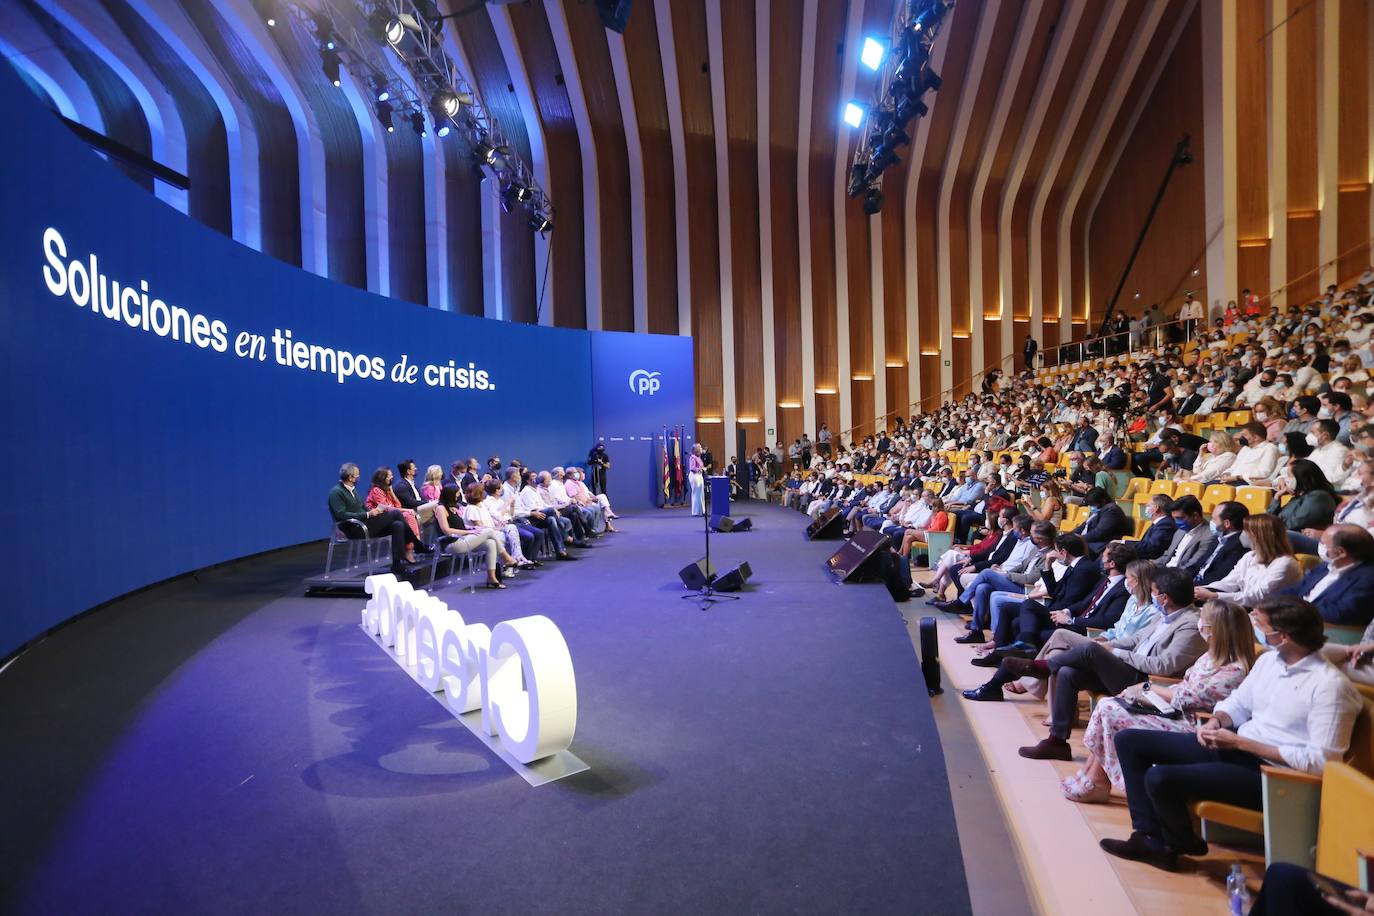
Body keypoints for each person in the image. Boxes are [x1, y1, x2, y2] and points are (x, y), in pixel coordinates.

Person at [1100, 596, 1362, 872]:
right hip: (1236, 747)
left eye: (1262, 626)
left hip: (1272, 774)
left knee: (1160, 777)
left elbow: (1322, 763)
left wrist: (1241, 742)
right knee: (1130, 741)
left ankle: (1172, 843)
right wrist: (1217, 720)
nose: (1257, 631)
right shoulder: (1271, 661)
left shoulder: (1330, 688)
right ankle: (1148, 837)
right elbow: (1238, 702)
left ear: (1283, 636)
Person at [964, 568, 1207, 762]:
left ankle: (1043, 667)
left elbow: (1164, 665)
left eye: (1154, 593)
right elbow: (1135, 639)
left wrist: (1115, 652)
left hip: (1145, 684)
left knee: (1090, 649)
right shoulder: (1166, 615)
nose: (1152, 596)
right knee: (1069, 671)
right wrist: (1110, 644)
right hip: (1127, 670)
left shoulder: (1190, 625)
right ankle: (1057, 742)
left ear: (1165, 598)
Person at [1063, 599, 1256, 802]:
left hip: (1192, 725)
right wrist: (1144, 695)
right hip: (1172, 711)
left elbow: (1191, 696)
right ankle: (1091, 773)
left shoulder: (1235, 670)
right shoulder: (1209, 657)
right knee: (1109, 704)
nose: (1200, 624)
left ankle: (1098, 780)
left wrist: (1147, 688)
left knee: (1111, 710)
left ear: (1218, 629)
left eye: (1204, 621)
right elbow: (1182, 687)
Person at [327, 462, 425, 573]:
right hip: (354, 528)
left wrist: (374, 512)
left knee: (397, 525)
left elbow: (363, 508)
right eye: (357, 475)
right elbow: (341, 515)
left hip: (365, 523)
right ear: (350, 477)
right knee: (396, 514)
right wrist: (368, 514)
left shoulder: (352, 490)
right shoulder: (336, 492)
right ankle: (418, 545)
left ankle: (397, 565)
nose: (359, 477)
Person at [1193, 514, 1303, 606]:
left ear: (1259, 536)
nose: (1242, 534)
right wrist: (1198, 589)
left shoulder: (1285, 564)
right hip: (1251, 608)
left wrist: (1214, 596)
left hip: (1274, 614)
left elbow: (1257, 596)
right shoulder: (1250, 556)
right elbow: (1229, 583)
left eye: (1246, 530)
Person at [1288, 524, 1374, 626]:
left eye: (1323, 544)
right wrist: (1273, 602)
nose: (1320, 546)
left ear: (1341, 552)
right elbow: (1298, 588)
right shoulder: (1327, 565)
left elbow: (1340, 613)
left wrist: (1295, 608)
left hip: (1317, 627)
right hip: (1294, 615)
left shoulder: (1367, 579)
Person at [433, 485, 511, 589]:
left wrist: (471, 529)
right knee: (488, 531)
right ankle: (506, 557)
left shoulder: (453, 507)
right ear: (450, 494)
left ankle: (491, 578)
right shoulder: (440, 508)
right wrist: (467, 532)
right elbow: (446, 530)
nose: (458, 496)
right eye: (456, 494)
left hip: (462, 539)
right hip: (451, 543)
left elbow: (459, 525)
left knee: (490, 543)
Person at [462, 482, 535, 570]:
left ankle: (517, 556)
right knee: (504, 536)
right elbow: (480, 528)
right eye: (482, 491)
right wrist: (497, 528)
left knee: (511, 527)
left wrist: (498, 524)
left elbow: (490, 520)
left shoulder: (481, 506)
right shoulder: (472, 508)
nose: (485, 493)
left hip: (491, 530)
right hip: (481, 536)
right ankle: (507, 563)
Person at [365, 467, 423, 544]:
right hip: (379, 520)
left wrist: (392, 493)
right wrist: (407, 510)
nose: (392, 477)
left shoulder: (387, 490)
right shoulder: (376, 490)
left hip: (390, 517)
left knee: (408, 515)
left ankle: (414, 543)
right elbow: (387, 509)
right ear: (382, 478)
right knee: (407, 514)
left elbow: (398, 507)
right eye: (389, 476)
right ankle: (417, 543)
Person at [688, 444, 706, 516]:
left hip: (699, 475)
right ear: (696, 450)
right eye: (700, 447)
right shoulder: (693, 457)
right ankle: (696, 512)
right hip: (695, 476)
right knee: (696, 494)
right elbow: (692, 468)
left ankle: (702, 511)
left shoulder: (698, 457)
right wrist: (700, 469)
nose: (702, 448)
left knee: (701, 494)